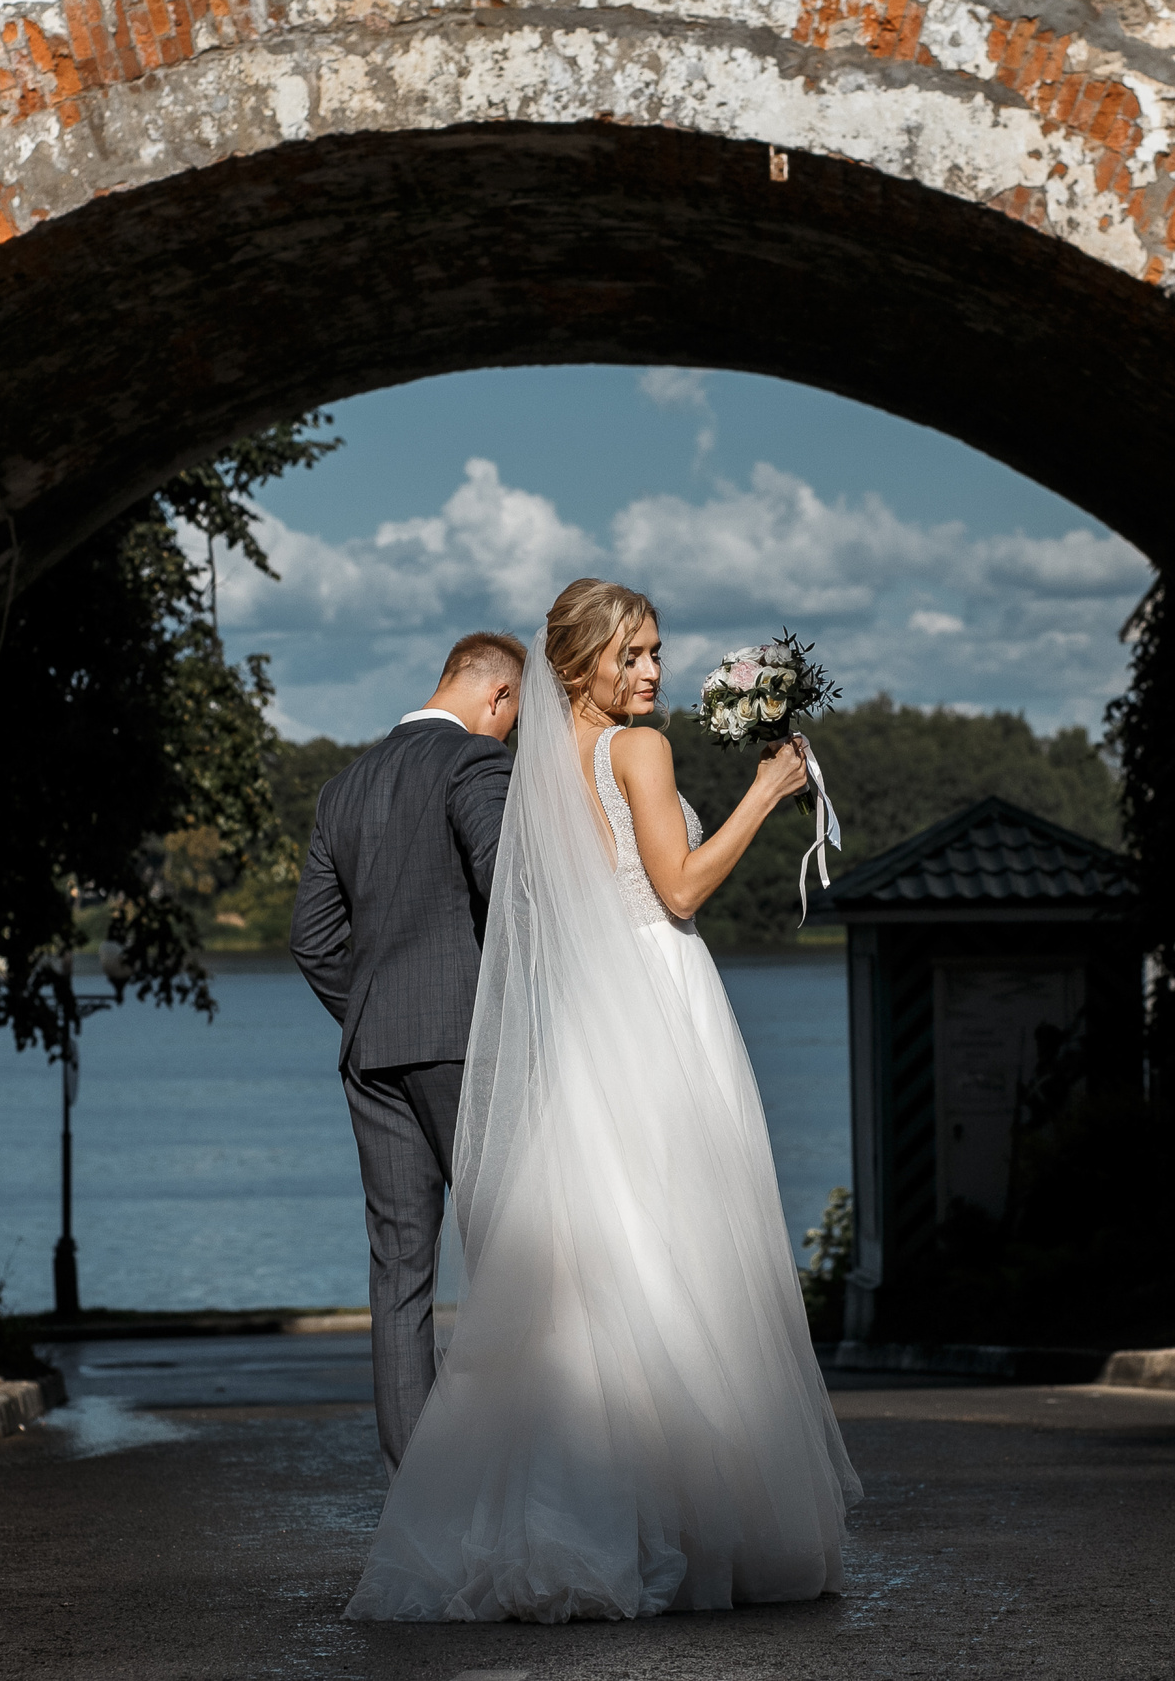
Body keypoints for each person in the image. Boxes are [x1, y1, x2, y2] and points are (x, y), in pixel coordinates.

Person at [346, 578, 861, 1623]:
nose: (653, 673)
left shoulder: (535, 765)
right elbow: (675, 892)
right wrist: (767, 793)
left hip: (588, 1017)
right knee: (680, 1253)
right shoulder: (640, 751)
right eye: (633, 655)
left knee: (597, 1264)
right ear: (582, 664)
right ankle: (686, 1517)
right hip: (659, 995)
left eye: (657, 653)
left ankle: (573, 1513)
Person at [291, 630, 527, 1479]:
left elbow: (312, 942)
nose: (509, 736)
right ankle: (519, 1473)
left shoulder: (344, 787)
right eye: (514, 719)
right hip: (464, 1041)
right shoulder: (472, 764)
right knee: (513, 1255)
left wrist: (379, 1012)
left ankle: (418, 1490)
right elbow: (508, 884)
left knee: (400, 1273)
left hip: (373, 1049)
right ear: (497, 697)